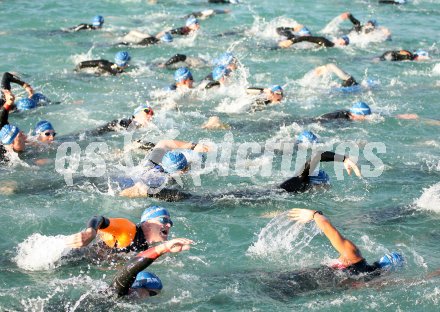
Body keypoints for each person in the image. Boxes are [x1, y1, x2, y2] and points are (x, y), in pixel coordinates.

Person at [288, 208, 404, 275]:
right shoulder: (369, 282)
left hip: (296, 279)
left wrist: (314, 214)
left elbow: (328, 228)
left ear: (381, 260)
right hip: (302, 293)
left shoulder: (353, 257)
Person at [118, 139, 209, 199]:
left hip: (125, 178)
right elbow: (138, 189)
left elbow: (164, 143)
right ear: (182, 171)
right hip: (127, 188)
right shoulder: (165, 179)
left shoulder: (152, 162)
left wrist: (194, 146)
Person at [65, 206, 175, 253]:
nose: (169, 225)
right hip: (74, 257)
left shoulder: (147, 245)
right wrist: (90, 232)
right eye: (163, 221)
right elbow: (98, 219)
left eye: (170, 222)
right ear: (147, 223)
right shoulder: (128, 230)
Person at [110, 237, 193, 298]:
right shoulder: (115, 295)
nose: (151, 298)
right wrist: (163, 248)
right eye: (152, 294)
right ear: (140, 287)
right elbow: (130, 270)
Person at [279, 150, 361, 193]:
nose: (324, 189)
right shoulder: (299, 181)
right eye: (324, 186)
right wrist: (344, 159)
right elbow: (318, 155)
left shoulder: (296, 188)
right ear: (317, 183)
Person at [88, 103, 154, 136]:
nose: (150, 116)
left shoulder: (139, 128)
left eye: (152, 114)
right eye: (147, 111)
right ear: (136, 114)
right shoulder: (127, 122)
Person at [278, 34, 349, 49]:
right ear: (339, 39)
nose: (343, 43)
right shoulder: (325, 42)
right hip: (291, 44)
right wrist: (291, 41)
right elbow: (307, 38)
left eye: (345, 44)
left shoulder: (330, 45)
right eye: (343, 41)